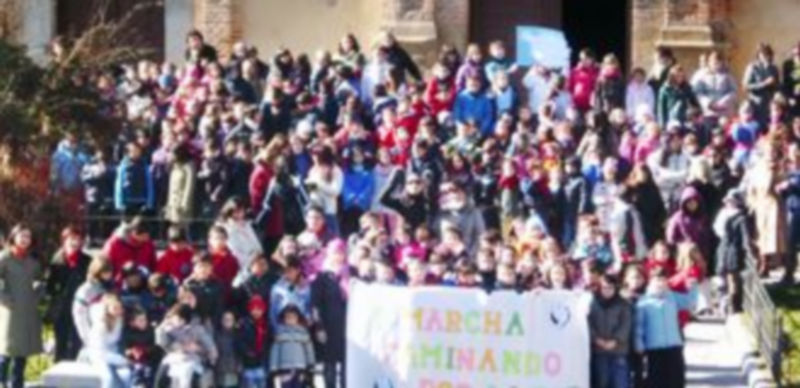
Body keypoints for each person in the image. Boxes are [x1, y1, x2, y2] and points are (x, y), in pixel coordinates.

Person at [635, 269, 697, 388]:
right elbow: (639, 325)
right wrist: (639, 343)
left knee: (677, 378)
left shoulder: (672, 297)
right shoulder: (644, 302)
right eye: (658, 280)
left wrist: (693, 288)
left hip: (673, 345)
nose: (661, 283)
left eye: (663, 280)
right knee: (657, 380)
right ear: (651, 281)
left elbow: (689, 302)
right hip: (654, 348)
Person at [0, 225, 42, 388]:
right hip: (9, 311)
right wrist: (5, 299)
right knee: (6, 350)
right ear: (14, 237)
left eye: (28, 236)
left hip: (27, 310)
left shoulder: (33, 261)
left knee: (21, 353)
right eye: (22, 236)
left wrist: (37, 294)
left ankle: (18, 384)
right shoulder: (5, 258)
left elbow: (39, 281)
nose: (25, 239)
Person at [46, 226, 92, 361]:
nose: (75, 242)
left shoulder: (87, 260)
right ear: (64, 240)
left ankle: (73, 370)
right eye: (72, 239)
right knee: (61, 340)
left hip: (79, 305)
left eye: (78, 239)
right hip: (61, 308)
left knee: (76, 341)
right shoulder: (57, 260)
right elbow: (50, 285)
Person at [311, 240, 349, 388]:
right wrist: (319, 326)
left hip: (348, 327)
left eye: (342, 252)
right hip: (329, 326)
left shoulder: (351, 271)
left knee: (347, 363)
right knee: (330, 364)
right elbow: (315, 304)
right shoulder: (321, 276)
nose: (339, 255)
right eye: (336, 252)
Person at [155, 304, 218, 388]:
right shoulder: (168, 327)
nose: (175, 321)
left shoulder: (197, 329)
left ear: (184, 320)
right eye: (174, 318)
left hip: (192, 359)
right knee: (161, 378)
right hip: (174, 357)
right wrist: (178, 347)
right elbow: (161, 341)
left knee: (193, 378)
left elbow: (211, 348)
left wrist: (197, 348)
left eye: (178, 319)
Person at [588, 274, 631, 388]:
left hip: (618, 350)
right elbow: (588, 323)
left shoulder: (623, 304)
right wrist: (596, 339)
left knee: (620, 382)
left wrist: (615, 340)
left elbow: (625, 324)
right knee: (602, 381)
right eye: (604, 287)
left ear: (615, 288)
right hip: (599, 350)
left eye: (610, 287)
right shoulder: (592, 303)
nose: (607, 290)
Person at [85, 294, 132, 388]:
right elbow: (99, 352)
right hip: (99, 356)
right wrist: (121, 360)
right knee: (108, 378)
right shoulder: (100, 326)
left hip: (114, 353)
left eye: (120, 307)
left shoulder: (120, 320)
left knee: (127, 375)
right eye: (115, 308)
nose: (119, 311)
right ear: (107, 309)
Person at [269, 304, 316, 388]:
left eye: (293, 317)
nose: (290, 320)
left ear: (298, 318)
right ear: (284, 319)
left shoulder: (303, 333)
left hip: (300, 367)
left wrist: (311, 365)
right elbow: (275, 352)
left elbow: (309, 350)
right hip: (284, 368)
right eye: (288, 317)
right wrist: (274, 368)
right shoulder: (280, 334)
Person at [236, 296, 269, 388]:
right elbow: (239, 341)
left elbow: (268, 342)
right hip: (248, 364)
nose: (256, 311)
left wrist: (263, 351)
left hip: (261, 363)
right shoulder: (244, 323)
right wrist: (247, 352)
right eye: (253, 308)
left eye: (259, 309)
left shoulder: (265, 324)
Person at [743, 43, 780, 126]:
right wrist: (764, 83)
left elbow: (778, 86)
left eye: (767, 54)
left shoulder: (773, 68)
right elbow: (746, 86)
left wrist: (775, 86)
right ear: (758, 55)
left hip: (770, 103)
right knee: (758, 127)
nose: (765, 57)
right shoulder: (752, 67)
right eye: (763, 54)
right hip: (756, 103)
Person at [115, 142, 155, 216]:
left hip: (141, 201)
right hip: (127, 202)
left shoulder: (144, 166)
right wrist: (119, 203)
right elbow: (119, 185)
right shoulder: (123, 166)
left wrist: (149, 202)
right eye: (132, 151)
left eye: (137, 150)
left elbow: (149, 185)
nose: (134, 153)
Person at [568, 48, 600, 113]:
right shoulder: (575, 71)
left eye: (585, 58)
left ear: (592, 59)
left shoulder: (598, 71)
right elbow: (569, 87)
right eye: (581, 59)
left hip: (593, 106)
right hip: (577, 105)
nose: (583, 61)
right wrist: (571, 102)